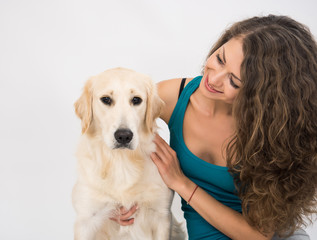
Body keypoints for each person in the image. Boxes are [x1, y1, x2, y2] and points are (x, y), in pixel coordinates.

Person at [112, 15, 317, 239]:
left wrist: (182, 183)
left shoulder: (275, 131)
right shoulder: (172, 97)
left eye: (234, 81)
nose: (214, 78)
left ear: (259, 96)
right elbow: (113, 130)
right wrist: (116, 199)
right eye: (220, 59)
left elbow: (259, 235)